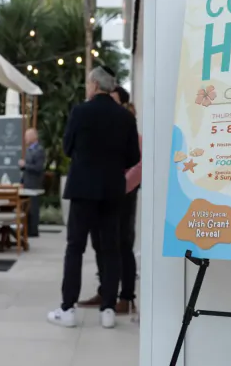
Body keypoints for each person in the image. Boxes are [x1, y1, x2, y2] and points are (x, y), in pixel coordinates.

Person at [48, 67, 140, 329]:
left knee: (75, 247)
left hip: (83, 189)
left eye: (88, 83)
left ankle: (67, 309)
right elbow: (133, 157)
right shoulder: (125, 117)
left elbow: (67, 147)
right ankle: (108, 309)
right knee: (111, 248)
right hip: (112, 190)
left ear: (95, 85)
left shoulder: (80, 112)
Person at [79, 86, 142, 314]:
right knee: (100, 242)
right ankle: (105, 291)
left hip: (123, 194)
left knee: (123, 243)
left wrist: (118, 185)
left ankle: (126, 297)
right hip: (104, 192)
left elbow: (137, 166)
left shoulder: (132, 132)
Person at [19, 128, 45, 237]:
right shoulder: (28, 150)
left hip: (34, 183)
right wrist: (22, 181)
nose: (25, 138)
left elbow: (39, 168)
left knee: (33, 207)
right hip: (27, 182)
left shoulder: (39, 150)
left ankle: (33, 230)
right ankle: (26, 229)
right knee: (27, 207)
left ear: (34, 137)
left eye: (27, 136)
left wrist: (25, 165)